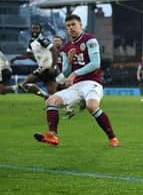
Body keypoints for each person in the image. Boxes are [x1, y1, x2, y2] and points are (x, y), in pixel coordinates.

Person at [33, 14, 119, 147]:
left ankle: (113, 138)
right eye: (68, 26)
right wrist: (68, 61)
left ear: (80, 25)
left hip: (93, 83)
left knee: (92, 107)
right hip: (76, 85)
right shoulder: (66, 48)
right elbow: (66, 72)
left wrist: (75, 73)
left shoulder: (90, 40)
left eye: (73, 24)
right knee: (51, 101)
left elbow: (95, 64)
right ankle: (52, 136)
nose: (71, 28)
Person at [10, 23, 59, 99]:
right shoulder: (31, 42)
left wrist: (52, 66)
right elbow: (28, 55)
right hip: (45, 69)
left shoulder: (42, 40)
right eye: (33, 28)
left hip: (48, 68)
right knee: (52, 95)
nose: (35, 30)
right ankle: (67, 108)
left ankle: (45, 96)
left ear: (40, 30)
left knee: (25, 84)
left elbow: (54, 51)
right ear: (31, 30)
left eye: (37, 28)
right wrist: (16, 58)